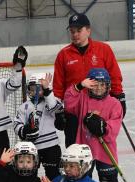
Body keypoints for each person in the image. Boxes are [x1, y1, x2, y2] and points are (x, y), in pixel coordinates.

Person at [52, 13, 126, 148]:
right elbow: (58, 86)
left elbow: (114, 75)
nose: (75, 34)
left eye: (79, 31)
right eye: (72, 31)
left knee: (101, 146)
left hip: (100, 107)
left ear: (88, 30)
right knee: (74, 151)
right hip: (74, 111)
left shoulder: (103, 49)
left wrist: (119, 97)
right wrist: (58, 111)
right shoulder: (63, 55)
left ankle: (104, 169)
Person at [64, 68, 122, 182]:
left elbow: (115, 126)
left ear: (108, 86)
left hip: (105, 149)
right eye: (95, 84)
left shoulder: (114, 104)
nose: (99, 88)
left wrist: (104, 128)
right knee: (84, 177)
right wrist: (79, 86)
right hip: (85, 148)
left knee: (109, 177)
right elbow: (68, 103)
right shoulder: (82, 98)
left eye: (102, 85)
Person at [13, 72, 61, 180]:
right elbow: (17, 124)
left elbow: (55, 108)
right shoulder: (24, 107)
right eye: (33, 89)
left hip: (51, 146)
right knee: (29, 176)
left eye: (40, 88)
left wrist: (48, 91)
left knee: (54, 177)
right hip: (32, 148)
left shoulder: (51, 101)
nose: (36, 92)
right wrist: (25, 131)